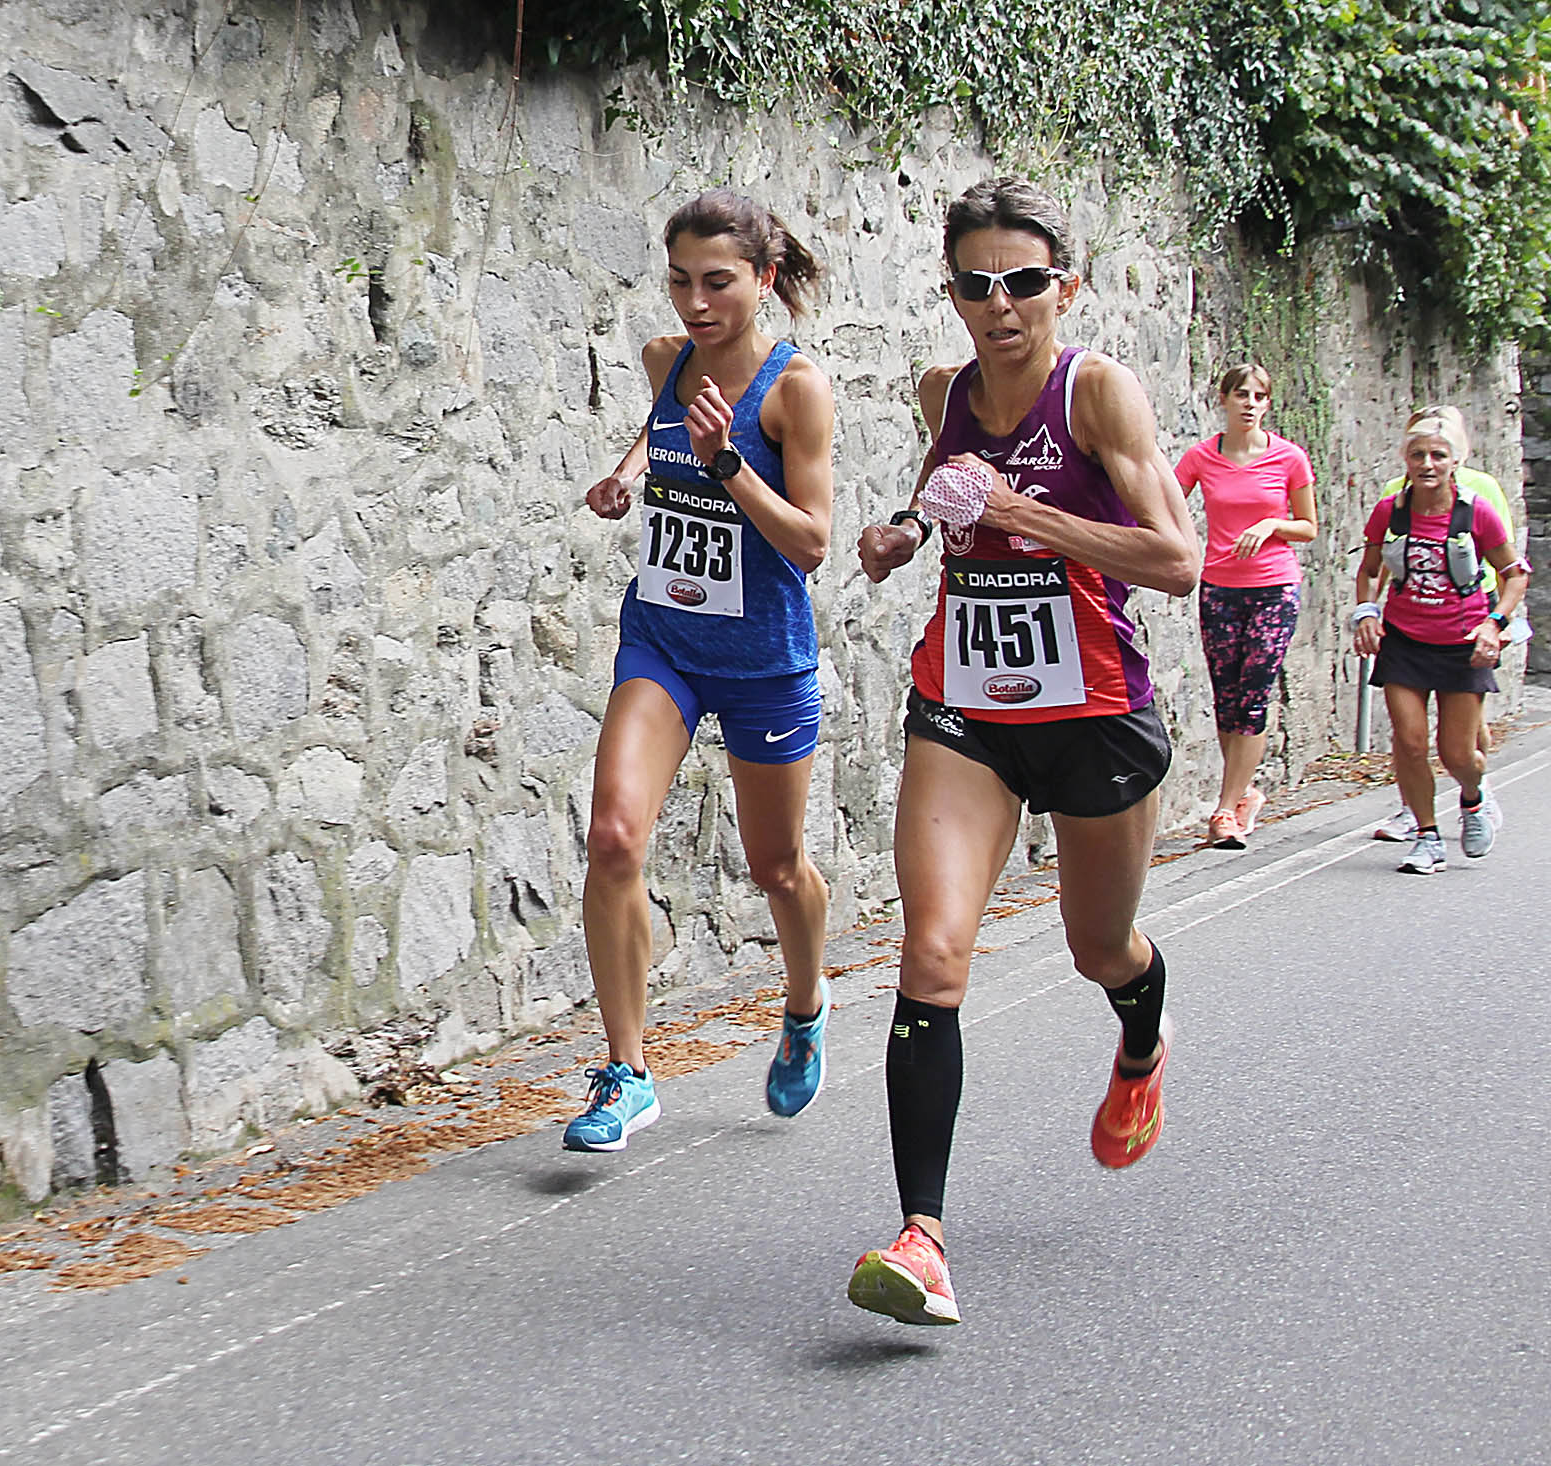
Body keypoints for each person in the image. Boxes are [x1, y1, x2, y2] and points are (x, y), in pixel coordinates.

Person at [847, 177, 1200, 1325]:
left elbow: (1176, 557)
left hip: (1091, 712)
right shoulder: (942, 390)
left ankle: (1141, 1040)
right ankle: (922, 1236)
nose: (1000, 304)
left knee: (1098, 947)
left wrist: (1025, 511)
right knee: (935, 951)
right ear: (951, 292)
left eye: (1024, 280)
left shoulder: (1096, 393)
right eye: (974, 283)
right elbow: (942, 493)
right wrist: (904, 531)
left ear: (1065, 285)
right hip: (966, 708)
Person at [562, 189, 836, 1152]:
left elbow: (810, 544)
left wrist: (728, 465)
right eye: (679, 281)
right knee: (612, 837)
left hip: (761, 659)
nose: (694, 302)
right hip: (664, 640)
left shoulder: (795, 389)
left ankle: (804, 1004)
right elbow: (661, 423)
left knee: (776, 865)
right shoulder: (665, 361)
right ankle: (626, 1072)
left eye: (717, 282)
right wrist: (630, 472)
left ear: (763, 279)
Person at [1352, 406, 1531, 874]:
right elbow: (1369, 571)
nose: (1427, 464)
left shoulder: (1476, 512)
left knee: (1458, 754)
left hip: (1462, 643)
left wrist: (1495, 623)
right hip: (1405, 639)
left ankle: (1473, 797)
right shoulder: (1390, 511)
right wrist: (1366, 613)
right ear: (1404, 460)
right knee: (1409, 743)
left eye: (1437, 455)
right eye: (1417, 455)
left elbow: (1515, 575)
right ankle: (1428, 837)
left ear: (1455, 462)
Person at [1173, 364, 1318, 849]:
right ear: (1224, 400)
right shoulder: (1201, 457)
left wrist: (1272, 525)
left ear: (1268, 404)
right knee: (1228, 699)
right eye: (1241, 394)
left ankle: (1223, 809)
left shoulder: (1289, 458)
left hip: (1274, 587)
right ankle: (1245, 795)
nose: (1250, 403)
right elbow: (1166, 502)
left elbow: (1308, 526)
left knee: (1254, 692)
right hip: (1219, 587)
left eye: (1259, 396)